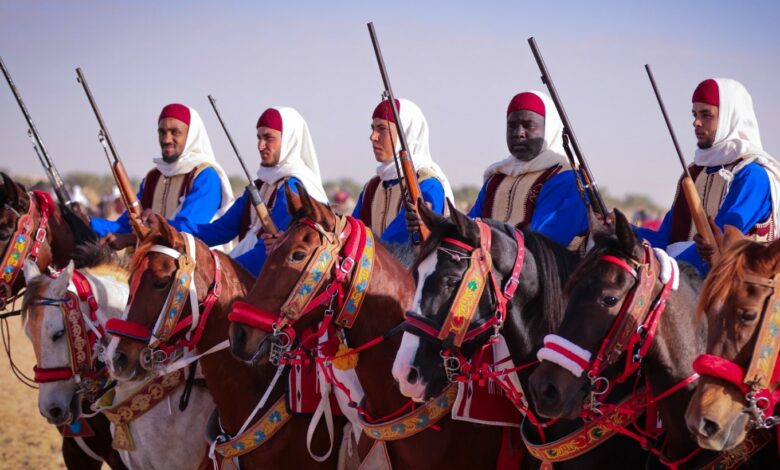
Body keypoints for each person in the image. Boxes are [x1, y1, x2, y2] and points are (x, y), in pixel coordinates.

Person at [636, 78, 780, 275]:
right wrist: (619, 229)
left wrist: (669, 270)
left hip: (738, 287)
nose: (696, 122)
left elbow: (719, 242)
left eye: (706, 115)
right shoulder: (695, 172)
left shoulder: (753, 176)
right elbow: (664, 238)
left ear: (730, 118)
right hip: (689, 281)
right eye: (695, 114)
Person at [171, 106, 328, 276]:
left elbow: (266, 253)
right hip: (247, 271)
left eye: (268, 138)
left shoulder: (295, 188)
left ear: (290, 140)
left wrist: (218, 273)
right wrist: (167, 229)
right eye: (259, 138)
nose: (261, 145)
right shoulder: (261, 186)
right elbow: (218, 231)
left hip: (271, 279)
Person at [90, 103, 233, 249]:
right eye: (162, 132)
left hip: (194, 261)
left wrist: (132, 238)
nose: (166, 139)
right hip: (154, 258)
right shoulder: (154, 177)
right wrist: (87, 223)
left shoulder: (205, 176)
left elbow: (189, 230)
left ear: (191, 136)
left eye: (175, 132)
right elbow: (126, 226)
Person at [468, 91, 587, 248]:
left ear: (549, 128)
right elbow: (469, 228)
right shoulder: (497, 177)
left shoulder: (566, 178)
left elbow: (543, 242)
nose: (519, 133)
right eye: (512, 126)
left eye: (528, 125)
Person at [352, 98, 453, 246]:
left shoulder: (427, 184)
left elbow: (397, 240)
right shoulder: (372, 188)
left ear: (406, 134)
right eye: (373, 128)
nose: (373, 137)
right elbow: (353, 234)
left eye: (382, 128)